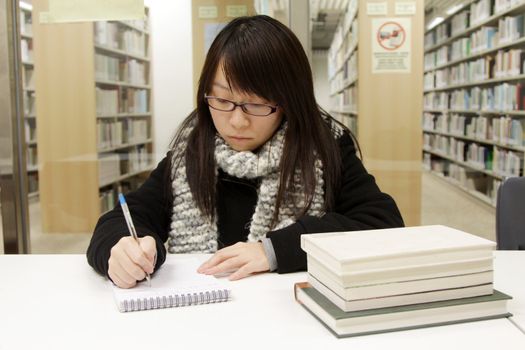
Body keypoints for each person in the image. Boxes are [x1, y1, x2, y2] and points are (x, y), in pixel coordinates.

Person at [87, 15, 404, 288]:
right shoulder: (192, 151)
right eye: (222, 100)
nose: (236, 121)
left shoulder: (324, 148)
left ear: (288, 101)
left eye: (256, 103)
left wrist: (274, 250)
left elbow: (382, 225)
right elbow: (124, 220)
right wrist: (121, 250)